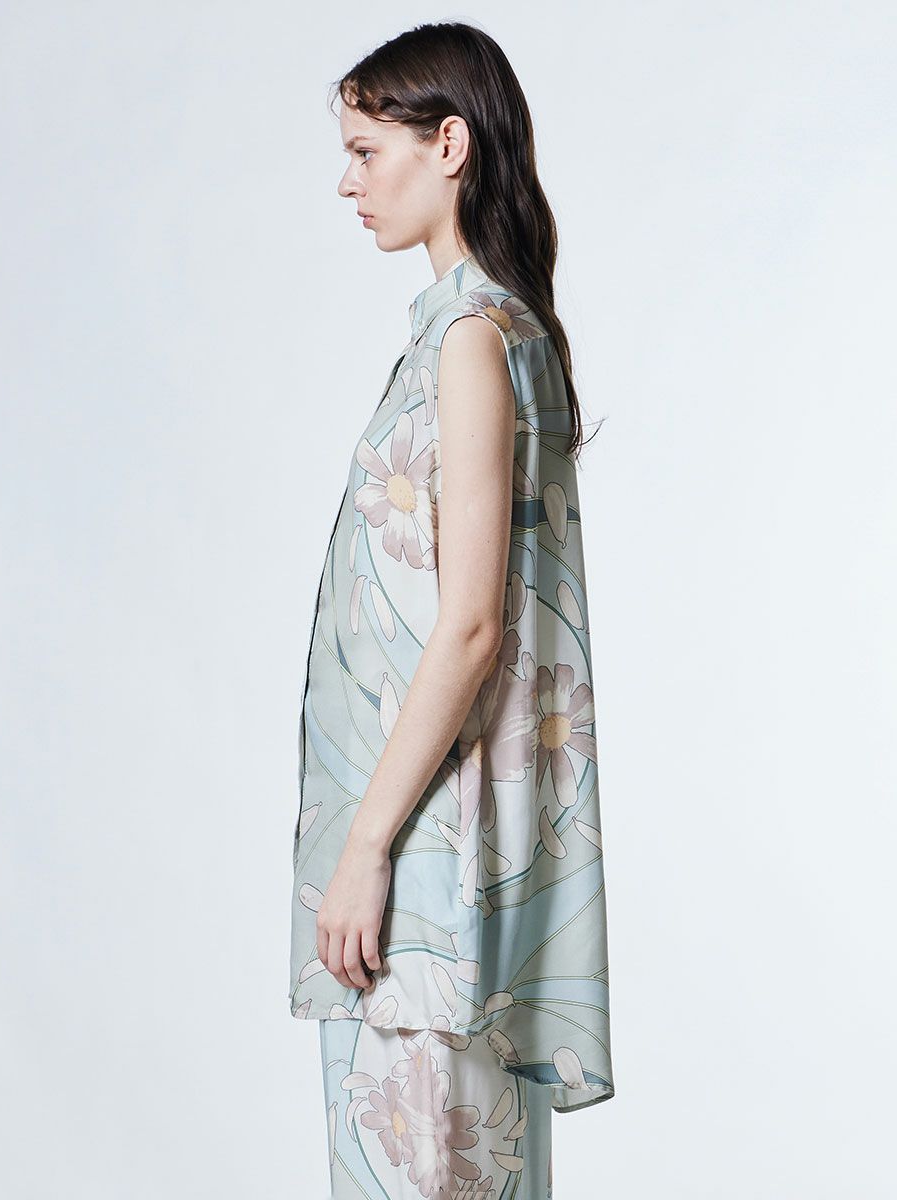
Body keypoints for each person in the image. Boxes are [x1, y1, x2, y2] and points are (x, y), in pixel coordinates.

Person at [288, 20, 614, 1198]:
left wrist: (364, 849)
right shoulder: (488, 332)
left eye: (366, 151)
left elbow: (470, 624)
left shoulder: (472, 342)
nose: (348, 181)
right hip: (444, 865)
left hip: (429, 871)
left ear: (450, 146)